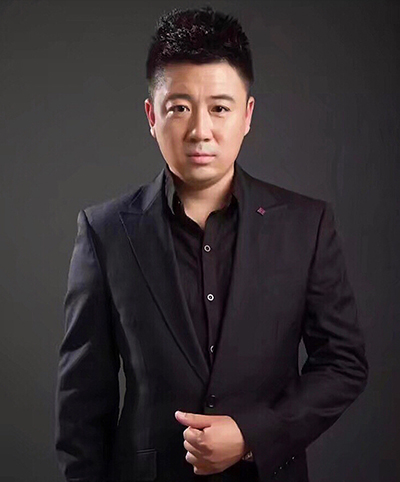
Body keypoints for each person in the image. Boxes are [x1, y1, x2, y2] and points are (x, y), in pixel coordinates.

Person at [54, 6, 368, 482]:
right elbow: (81, 406)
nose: (200, 130)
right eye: (179, 108)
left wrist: (252, 435)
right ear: (152, 116)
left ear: (247, 115)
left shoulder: (306, 225)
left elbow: (343, 365)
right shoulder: (105, 232)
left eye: (220, 108)